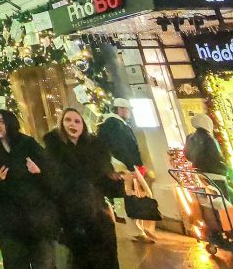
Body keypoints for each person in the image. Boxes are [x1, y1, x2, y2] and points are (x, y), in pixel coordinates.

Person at [0, 109, 59, 269]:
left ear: (10, 123)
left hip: (37, 221)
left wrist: (39, 172)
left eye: (0, 121)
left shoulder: (28, 144)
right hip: (8, 225)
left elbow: (52, 172)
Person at [43, 108, 121, 269]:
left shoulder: (96, 150)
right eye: (68, 120)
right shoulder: (53, 151)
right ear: (61, 124)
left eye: (77, 121)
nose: (73, 124)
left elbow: (106, 185)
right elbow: (51, 185)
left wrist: (116, 180)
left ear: (83, 126)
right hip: (69, 219)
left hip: (97, 216)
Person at [98, 97, 156, 243]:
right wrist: (133, 165)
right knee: (131, 196)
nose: (129, 113)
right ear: (121, 110)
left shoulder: (110, 124)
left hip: (118, 166)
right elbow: (122, 148)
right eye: (127, 110)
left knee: (123, 197)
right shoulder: (116, 126)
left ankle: (134, 229)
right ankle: (135, 231)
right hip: (123, 167)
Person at [185, 113, 233, 206]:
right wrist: (225, 168)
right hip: (216, 175)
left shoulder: (189, 138)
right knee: (228, 201)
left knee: (212, 201)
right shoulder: (209, 138)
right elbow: (216, 156)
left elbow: (187, 154)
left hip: (201, 174)